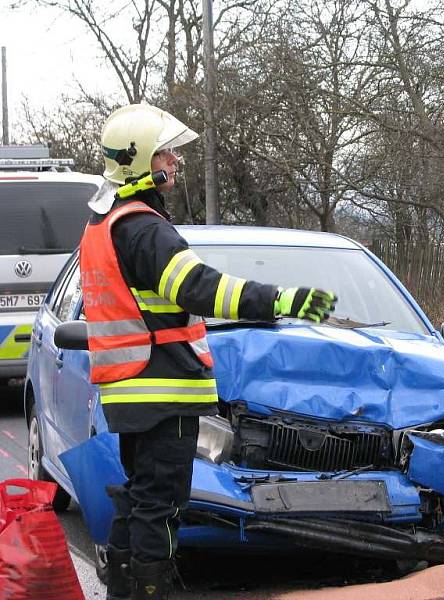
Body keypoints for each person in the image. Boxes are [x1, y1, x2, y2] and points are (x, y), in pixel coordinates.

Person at [81, 103, 336, 600]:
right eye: (166, 152)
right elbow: (200, 288)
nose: (174, 161)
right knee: (161, 503)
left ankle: (125, 588)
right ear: (142, 161)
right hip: (163, 390)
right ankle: (152, 590)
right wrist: (281, 299)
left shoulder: (108, 224)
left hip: (134, 390)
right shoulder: (145, 229)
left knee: (140, 498)